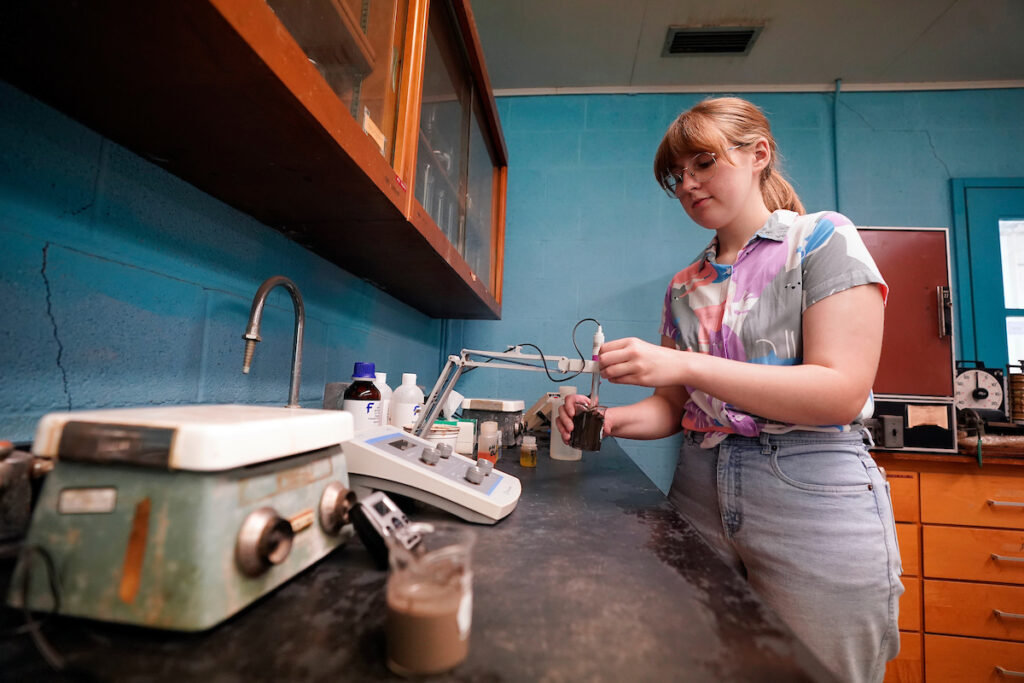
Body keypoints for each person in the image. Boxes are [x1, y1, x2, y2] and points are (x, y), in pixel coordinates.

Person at [557, 97, 901, 683]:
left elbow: (839, 392)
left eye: (704, 163)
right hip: (698, 486)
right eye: (677, 176)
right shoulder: (683, 287)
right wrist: (609, 419)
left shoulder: (821, 240)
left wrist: (681, 364)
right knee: (704, 663)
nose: (688, 185)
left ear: (758, 154)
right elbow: (673, 409)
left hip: (810, 487)